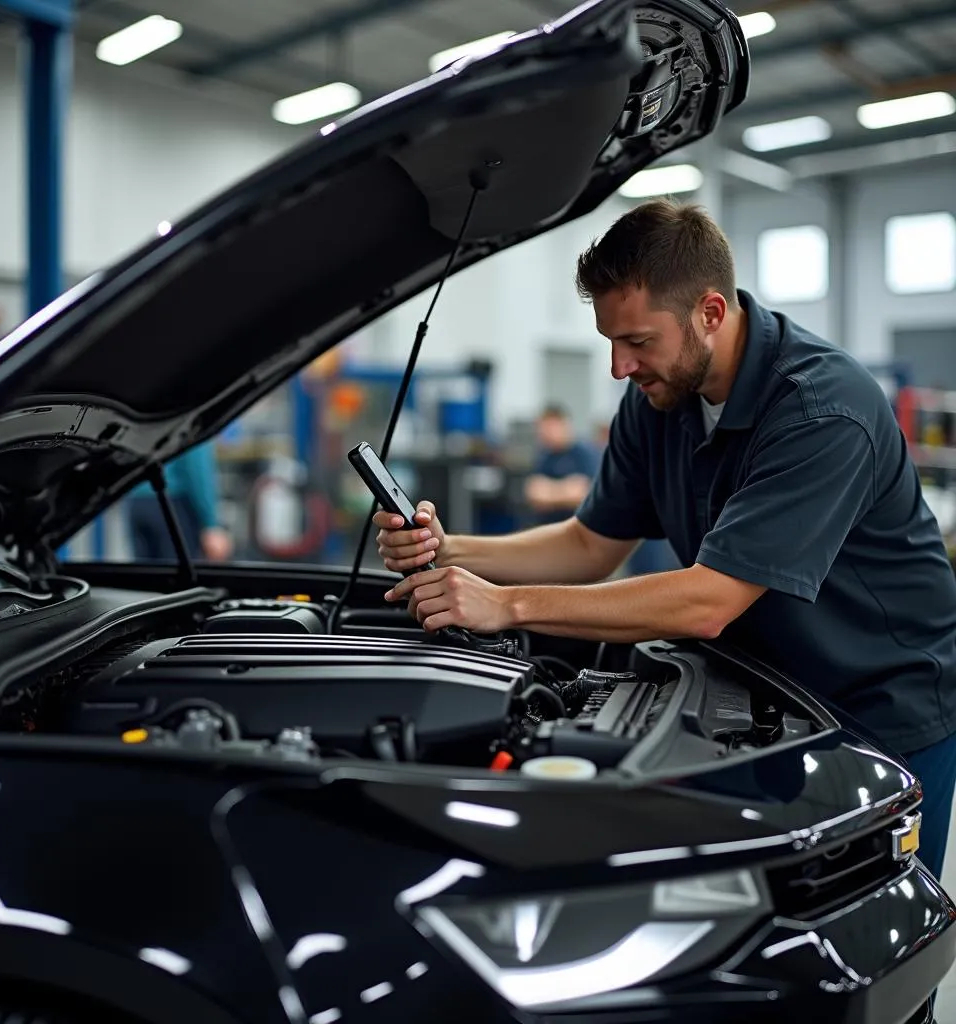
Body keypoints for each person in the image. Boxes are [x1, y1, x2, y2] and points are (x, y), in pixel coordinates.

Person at [375, 197, 956, 886]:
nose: (620, 368)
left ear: (710, 312)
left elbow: (707, 601)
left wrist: (507, 605)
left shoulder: (821, 409)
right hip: (760, 693)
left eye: (638, 342)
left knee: (861, 925)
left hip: (879, 710)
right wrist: (452, 551)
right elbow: (591, 543)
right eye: (611, 343)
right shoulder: (660, 399)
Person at [126, 441, 233, 562]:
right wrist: (211, 524)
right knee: (176, 574)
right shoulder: (191, 425)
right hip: (171, 506)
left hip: (136, 501)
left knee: (145, 575)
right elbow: (198, 471)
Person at [523, 405, 599, 525]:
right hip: (547, 527)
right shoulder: (545, 456)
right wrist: (565, 489)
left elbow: (583, 493)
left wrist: (549, 492)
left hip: (578, 527)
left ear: (564, 425)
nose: (544, 433)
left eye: (550, 427)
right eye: (542, 428)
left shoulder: (585, 453)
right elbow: (534, 492)